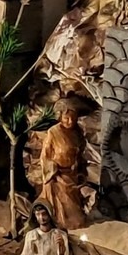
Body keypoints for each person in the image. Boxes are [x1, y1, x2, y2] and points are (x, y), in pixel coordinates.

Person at [32, 99, 89, 231]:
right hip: (56, 177)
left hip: (72, 175)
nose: (70, 121)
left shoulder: (77, 132)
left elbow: (80, 151)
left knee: (77, 217)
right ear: (60, 117)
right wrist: (52, 169)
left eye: (73, 118)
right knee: (61, 209)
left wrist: (78, 165)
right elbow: (45, 156)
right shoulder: (53, 133)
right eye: (67, 118)